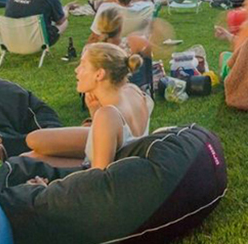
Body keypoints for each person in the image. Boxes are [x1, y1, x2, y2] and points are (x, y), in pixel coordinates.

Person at [23, 43, 154, 170]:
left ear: (99, 74)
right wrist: (94, 111)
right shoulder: (134, 91)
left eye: (83, 65)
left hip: (109, 173)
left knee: (29, 152)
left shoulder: (108, 115)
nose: (76, 70)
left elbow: (99, 177)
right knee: (31, 151)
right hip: (122, 158)